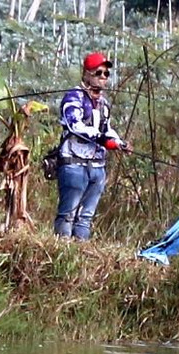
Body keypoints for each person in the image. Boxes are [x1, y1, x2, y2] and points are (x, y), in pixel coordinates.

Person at [54, 51, 132, 240]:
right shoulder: (73, 97)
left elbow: (107, 129)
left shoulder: (104, 103)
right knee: (67, 216)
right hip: (74, 165)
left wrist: (120, 143)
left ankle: (81, 255)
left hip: (97, 168)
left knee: (85, 218)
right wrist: (102, 139)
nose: (103, 78)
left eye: (106, 74)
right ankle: (61, 253)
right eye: (99, 73)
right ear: (87, 73)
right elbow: (75, 125)